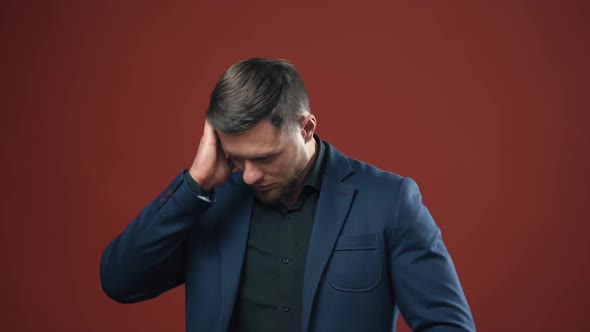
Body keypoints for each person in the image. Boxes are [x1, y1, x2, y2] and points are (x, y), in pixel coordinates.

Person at [100, 58, 475, 332]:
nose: (249, 176)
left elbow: (448, 325)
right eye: (237, 158)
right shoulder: (208, 204)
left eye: (264, 157)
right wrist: (195, 184)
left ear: (307, 127)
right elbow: (120, 281)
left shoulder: (389, 201)